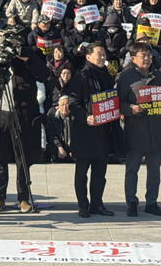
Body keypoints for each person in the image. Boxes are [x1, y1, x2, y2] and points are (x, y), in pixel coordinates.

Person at [0, 29, 50, 214]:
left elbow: (44, 74)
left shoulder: (28, 56)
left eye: (14, 42)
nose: (11, 46)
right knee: (0, 157)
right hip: (0, 111)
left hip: (22, 113)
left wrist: (26, 57)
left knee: (22, 158)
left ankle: (23, 198)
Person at [117, 42, 161, 217]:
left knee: (154, 170)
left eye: (149, 55)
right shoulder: (126, 77)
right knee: (132, 169)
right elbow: (119, 102)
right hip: (136, 129)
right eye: (142, 56)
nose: (147, 59)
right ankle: (131, 202)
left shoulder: (158, 75)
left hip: (156, 128)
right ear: (133, 58)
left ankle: (152, 202)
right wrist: (130, 108)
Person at [68, 43, 117, 218]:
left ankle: (97, 204)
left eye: (104, 53)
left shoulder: (108, 77)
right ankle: (83, 205)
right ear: (88, 57)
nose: (103, 57)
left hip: (102, 131)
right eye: (99, 54)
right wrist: (86, 117)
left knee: (100, 172)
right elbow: (73, 104)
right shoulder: (80, 77)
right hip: (84, 132)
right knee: (82, 172)